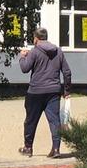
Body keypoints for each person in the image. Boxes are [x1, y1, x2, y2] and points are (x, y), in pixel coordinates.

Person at [18, 28, 72, 159]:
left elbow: (25, 69)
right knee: (54, 121)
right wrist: (66, 90)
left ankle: (28, 148)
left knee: (31, 121)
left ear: (36, 38)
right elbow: (67, 72)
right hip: (54, 91)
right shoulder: (58, 51)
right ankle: (56, 149)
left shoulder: (35, 51)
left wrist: (22, 57)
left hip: (35, 92)